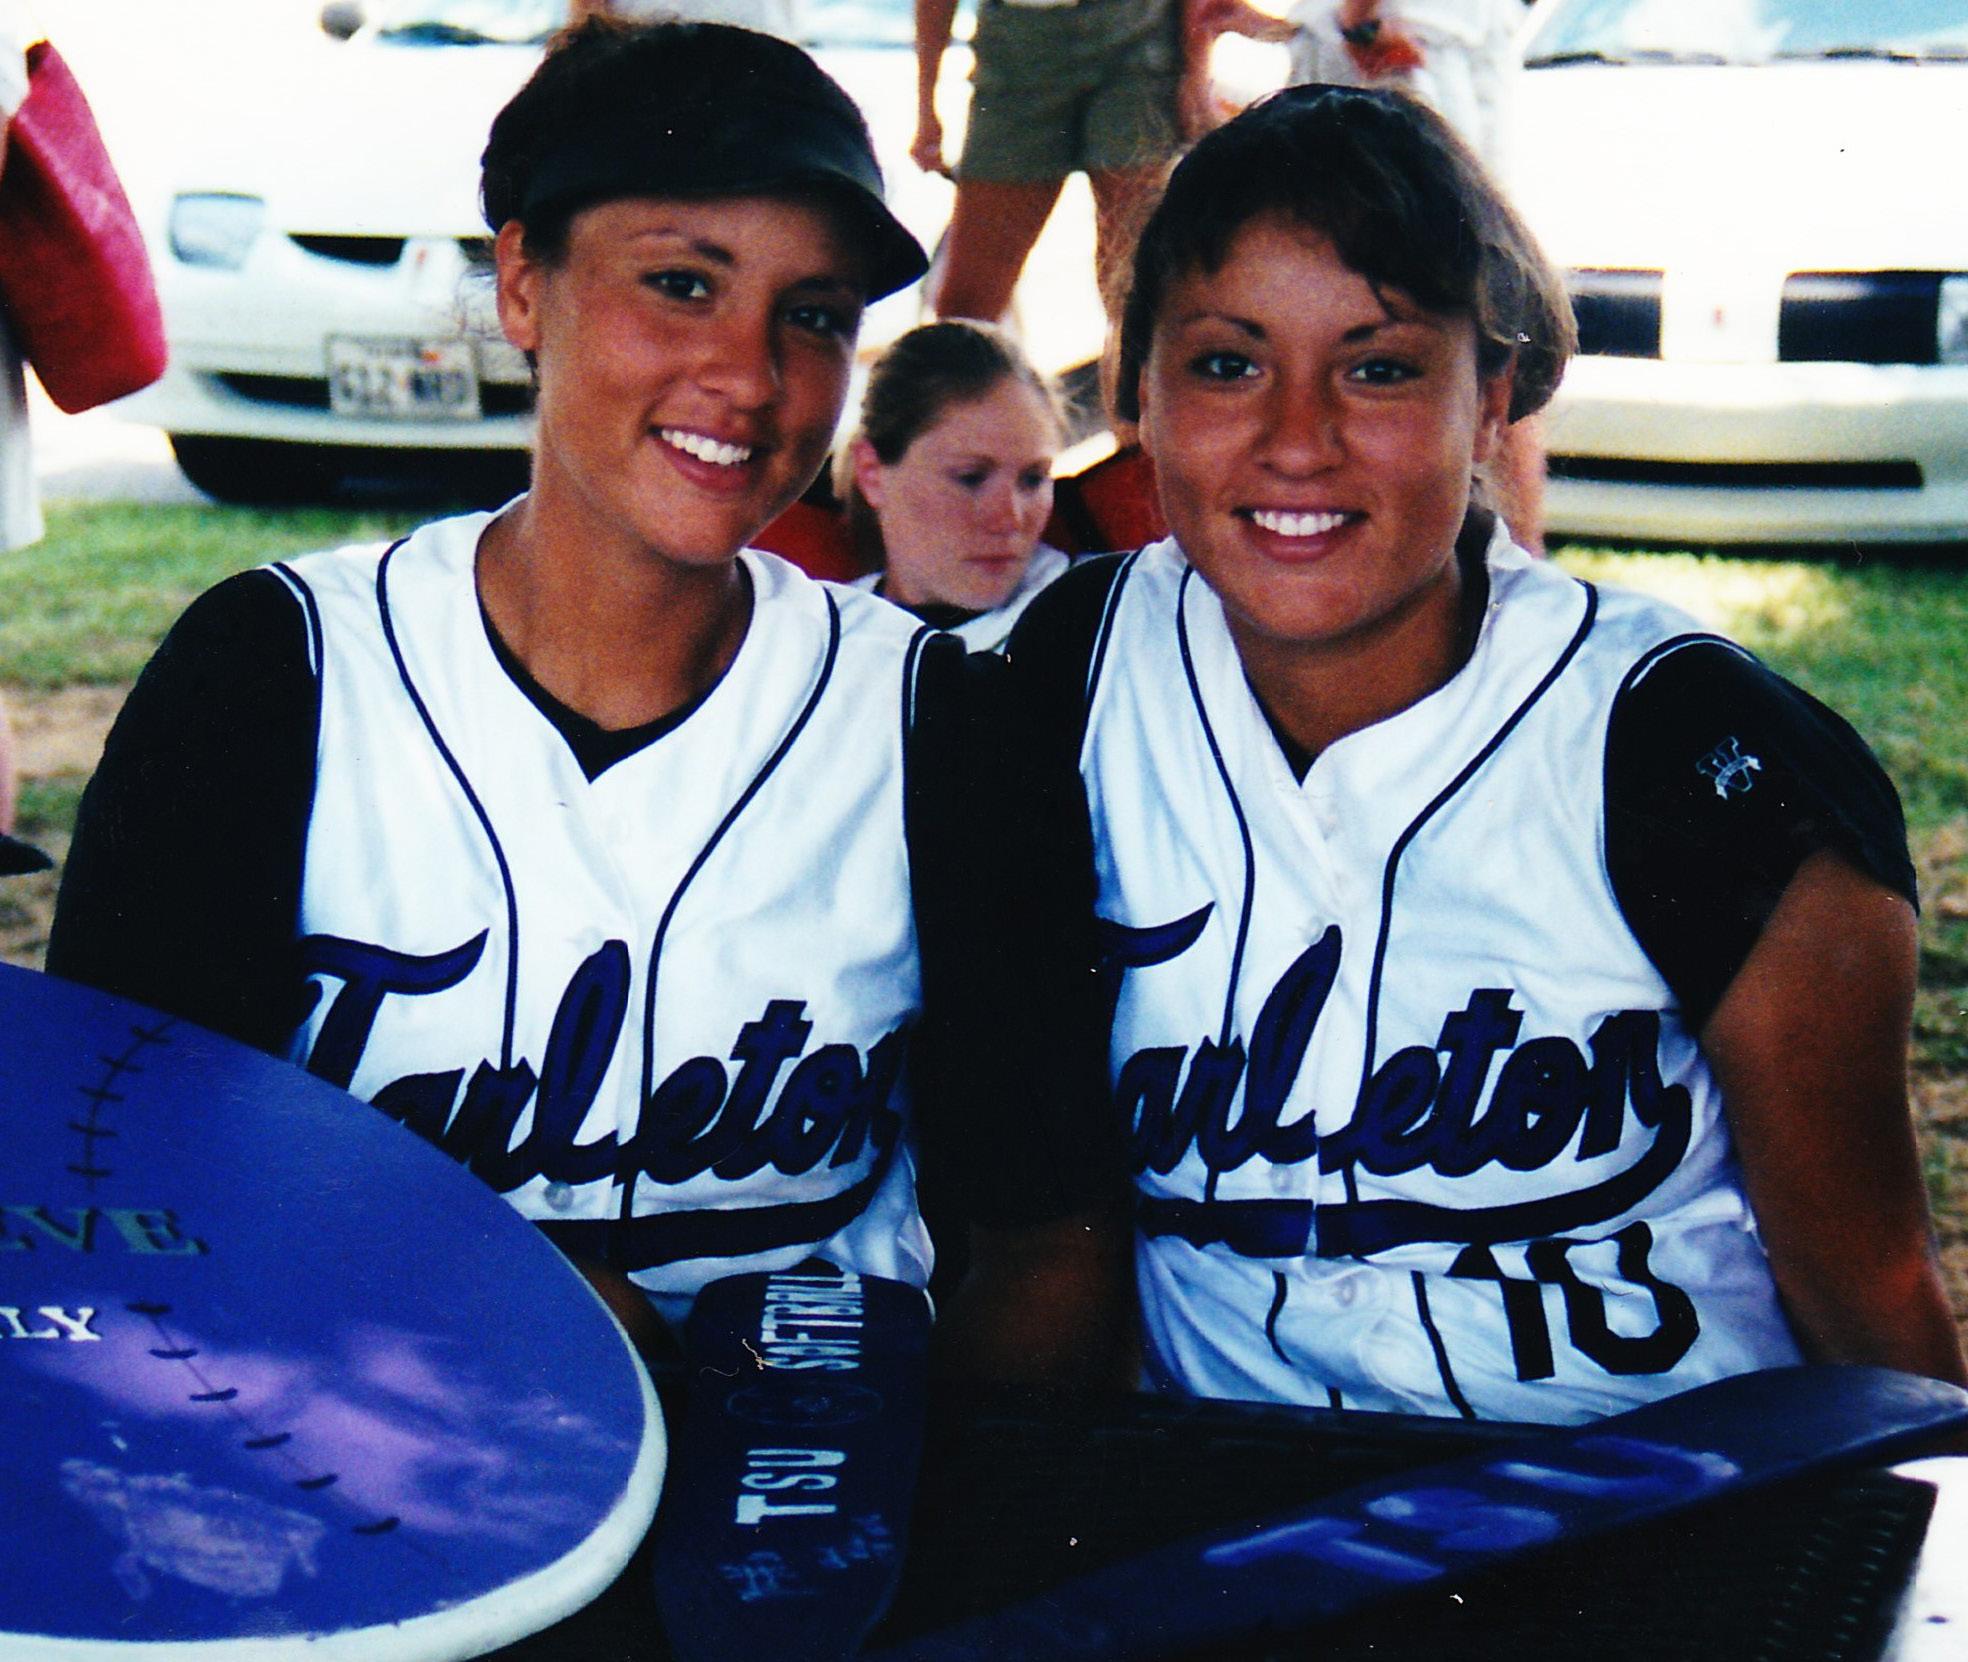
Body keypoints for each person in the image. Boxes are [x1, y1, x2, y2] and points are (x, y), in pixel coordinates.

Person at [48, 17, 1126, 1384]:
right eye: (681, 283)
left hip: (810, 1521)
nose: (746, 373)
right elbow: (105, 1187)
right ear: (522, 284)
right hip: (339, 1482)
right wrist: (484, 1293)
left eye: (812, 315)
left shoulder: (929, 719)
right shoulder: (281, 673)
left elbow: (1052, 1238)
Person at [1001, 83, 1968, 1423]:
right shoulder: (1053, 693)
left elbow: (1869, 1293)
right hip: (1230, 1525)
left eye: (1380, 365)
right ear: (1136, 395)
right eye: (1228, 362)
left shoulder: (1693, 751)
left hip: (1659, 1508)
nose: (1296, 437)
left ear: (1493, 393)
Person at [840, 319, 1070, 652]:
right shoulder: (821, 637)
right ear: (872, 473)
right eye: (971, 477)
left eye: (1033, 479)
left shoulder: (1099, 614)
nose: (1009, 519)